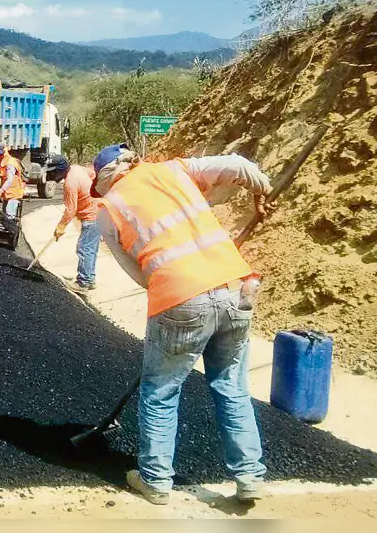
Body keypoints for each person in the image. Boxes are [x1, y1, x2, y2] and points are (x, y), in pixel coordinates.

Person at [91, 143, 274, 506]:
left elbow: (138, 272)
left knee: (160, 391)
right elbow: (237, 165)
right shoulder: (173, 170)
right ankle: (250, 475)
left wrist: (175, 293)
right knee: (231, 387)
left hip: (180, 297)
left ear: (105, 179)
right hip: (235, 287)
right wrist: (262, 191)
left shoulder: (109, 210)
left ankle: (156, 480)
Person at [52, 158, 100, 293]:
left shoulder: (70, 184)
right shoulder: (76, 169)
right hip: (99, 211)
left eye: (54, 173)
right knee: (91, 248)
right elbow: (92, 174)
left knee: (84, 248)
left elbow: (70, 210)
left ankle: (83, 283)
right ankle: (90, 279)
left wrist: (60, 227)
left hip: (92, 215)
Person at [0, 142, 24, 221]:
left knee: (9, 216)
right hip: (7, 193)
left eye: (0, 154)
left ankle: (12, 231)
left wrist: (1, 190)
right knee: (4, 217)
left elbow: (10, 179)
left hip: (13, 193)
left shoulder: (10, 163)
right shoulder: (3, 161)